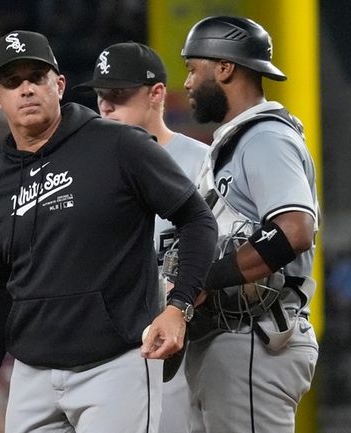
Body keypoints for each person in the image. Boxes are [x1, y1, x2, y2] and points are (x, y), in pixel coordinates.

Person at [0, 30, 217, 433]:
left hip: (117, 363)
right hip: (32, 375)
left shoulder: (120, 144)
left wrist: (178, 307)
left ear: (59, 84)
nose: (27, 89)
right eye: (12, 81)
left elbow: (196, 219)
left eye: (37, 76)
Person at [180, 16, 320, 433]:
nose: (187, 83)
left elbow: (294, 231)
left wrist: (204, 278)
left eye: (192, 68)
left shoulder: (264, 138)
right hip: (230, 341)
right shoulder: (234, 139)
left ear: (224, 68)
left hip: (254, 340)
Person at [75, 41, 209, 433]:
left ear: (157, 94)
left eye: (118, 96)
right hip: (107, 348)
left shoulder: (202, 164)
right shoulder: (84, 170)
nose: (106, 107)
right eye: (101, 97)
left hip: (182, 343)